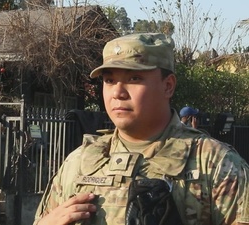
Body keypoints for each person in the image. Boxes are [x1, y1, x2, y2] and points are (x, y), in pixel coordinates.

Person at [33, 33, 249, 225]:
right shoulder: (78, 163)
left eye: (134, 78)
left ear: (168, 86)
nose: (118, 92)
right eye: (109, 80)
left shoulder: (216, 164)